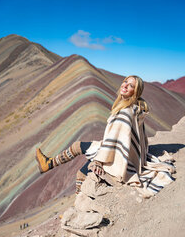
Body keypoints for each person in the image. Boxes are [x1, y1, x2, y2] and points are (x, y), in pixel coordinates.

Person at [36, 75, 175, 197]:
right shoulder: (136, 107)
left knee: (81, 174)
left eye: (131, 85)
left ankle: (78, 206)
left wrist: (98, 161)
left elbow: (117, 142)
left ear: (135, 92)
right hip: (119, 151)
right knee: (78, 145)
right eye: (125, 82)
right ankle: (49, 163)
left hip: (118, 158)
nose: (125, 85)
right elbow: (126, 139)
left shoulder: (125, 113)